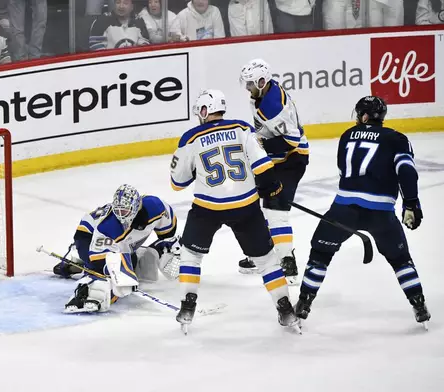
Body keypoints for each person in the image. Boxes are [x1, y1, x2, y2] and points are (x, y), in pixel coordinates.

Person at [294, 96, 431, 329]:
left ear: (363, 116)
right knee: (400, 259)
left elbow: (342, 169)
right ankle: (419, 304)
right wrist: (411, 203)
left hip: (344, 209)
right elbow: (407, 171)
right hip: (381, 213)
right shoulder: (397, 139)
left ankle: (304, 302)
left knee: (320, 252)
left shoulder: (347, 135)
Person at [170, 89, 299, 332]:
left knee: (190, 254)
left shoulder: (190, 138)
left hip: (208, 206)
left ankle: (188, 304)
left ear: (205, 111)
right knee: (266, 260)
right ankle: (284, 308)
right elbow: (262, 164)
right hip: (246, 205)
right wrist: (270, 187)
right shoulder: (242, 128)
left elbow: (177, 182)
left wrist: (198, 170)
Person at [236, 59, 309, 284]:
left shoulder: (272, 107)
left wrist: (259, 146)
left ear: (262, 81)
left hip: (291, 160)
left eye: (250, 83)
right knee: (254, 204)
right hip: (275, 159)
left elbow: (292, 141)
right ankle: (263, 254)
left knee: (276, 210)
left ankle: (288, 263)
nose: (247, 88)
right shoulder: (264, 93)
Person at [60, 184, 181, 313]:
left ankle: (85, 260)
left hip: (117, 241)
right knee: (106, 271)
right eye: (117, 211)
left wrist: (166, 246)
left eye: (124, 212)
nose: (121, 216)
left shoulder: (156, 207)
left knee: (130, 264)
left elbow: (168, 233)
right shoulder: (109, 226)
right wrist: (121, 276)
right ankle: (78, 259)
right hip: (88, 235)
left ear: (135, 207)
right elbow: (98, 261)